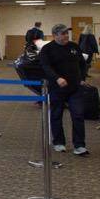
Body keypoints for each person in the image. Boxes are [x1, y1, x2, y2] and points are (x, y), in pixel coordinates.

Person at [38, 23, 91, 156]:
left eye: (67, 33)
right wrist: (57, 78)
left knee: (78, 115)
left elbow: (82, 64)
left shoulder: (74, 47)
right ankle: (59, 142)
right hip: (57, 87)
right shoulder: (47, 49)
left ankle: (79, 145)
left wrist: (82, 78)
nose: (66, 36)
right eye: (63, 34)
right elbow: (46, 66)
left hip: (75, 87)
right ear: (55, 35)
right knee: (56, 115)